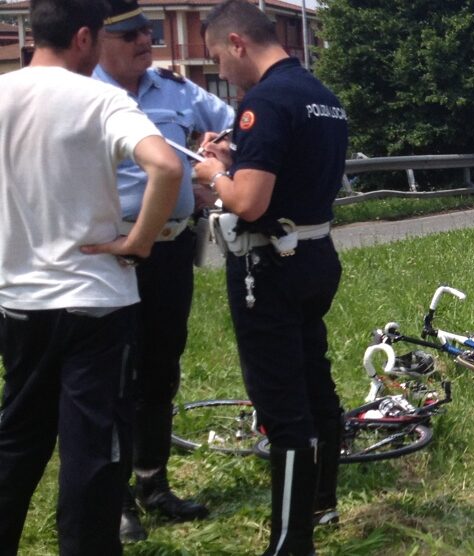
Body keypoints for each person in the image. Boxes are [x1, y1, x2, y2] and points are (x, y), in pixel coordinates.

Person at [0, 0, 182, 554]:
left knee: (16, 440)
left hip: (19, 302)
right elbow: (168, 166)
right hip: (97, 304)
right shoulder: (101, 98)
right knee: (93, 452)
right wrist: (139, 241)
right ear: (84, 38)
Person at [193, 1, 347, 553]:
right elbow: (293, 174)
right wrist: (239, 158)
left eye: (217, 57)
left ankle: (289, 541)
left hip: (268, 264)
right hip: (315, 252)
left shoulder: (264, 102)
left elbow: (251, 202)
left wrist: (215, 172)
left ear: (236, 42)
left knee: (282, 405)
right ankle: (322, 504)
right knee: (315, 383)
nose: (222, 71)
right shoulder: (322, 97)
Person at [91, 0, 235, 542]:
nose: (143, 44)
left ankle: (153, 481)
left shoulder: (175, 90)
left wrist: (215, 149)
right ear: (96, 41)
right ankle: (115, 497)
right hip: (112, 253)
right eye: (128, 37)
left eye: (146, 34)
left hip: (170, 250)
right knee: (112, 378)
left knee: (160, 367)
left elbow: (233, 126)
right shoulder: (87, 95)